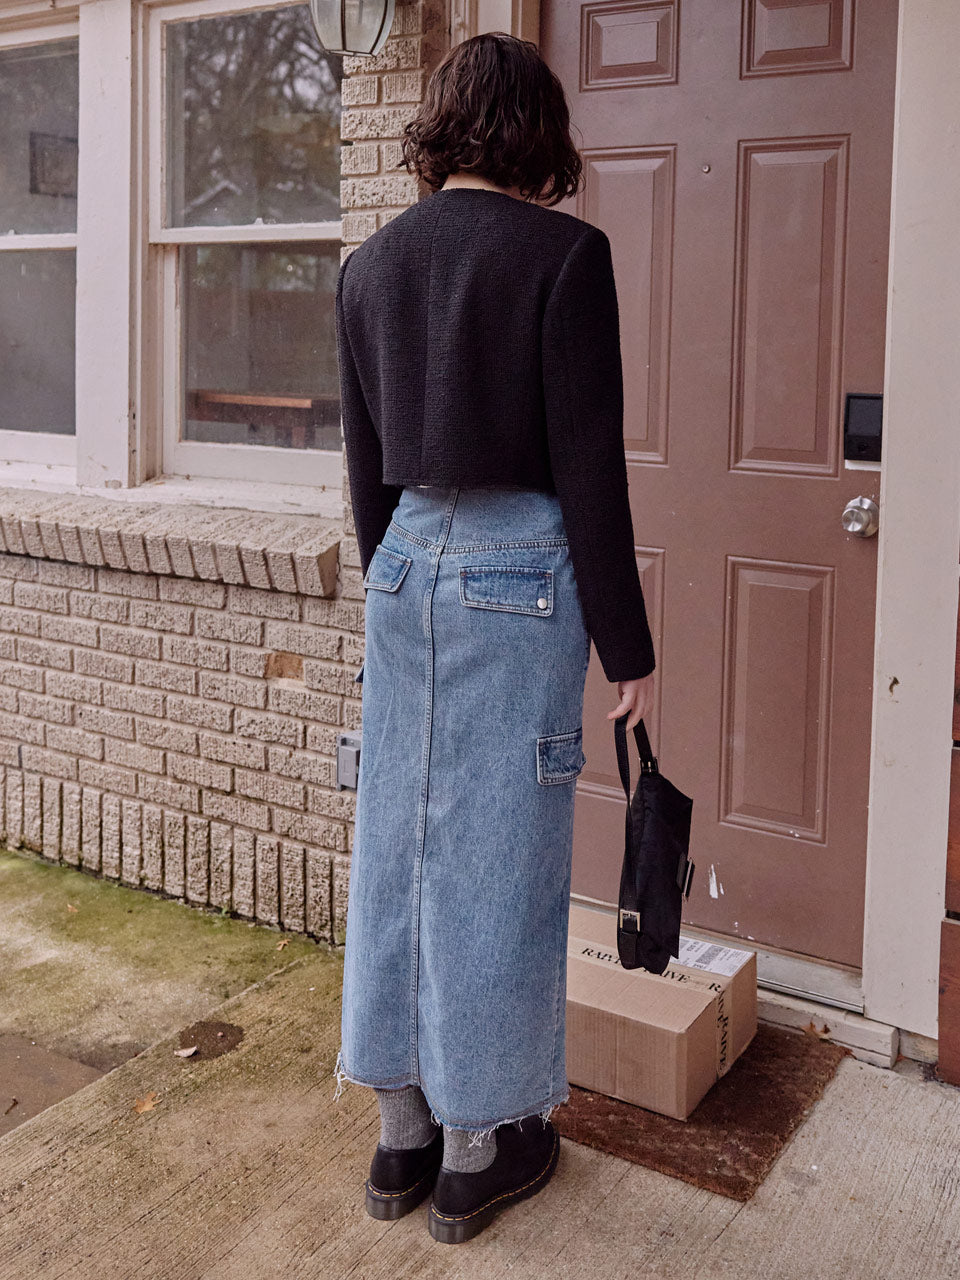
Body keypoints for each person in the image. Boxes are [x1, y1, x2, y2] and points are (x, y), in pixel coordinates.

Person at [331, 30, 656, 1244]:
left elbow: (367, 481)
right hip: (521, 572)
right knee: (498, 855)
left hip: (405, 566)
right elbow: (590, 473)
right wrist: (630, 651)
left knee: (398, 843)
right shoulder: (567, 258)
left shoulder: (370, 266)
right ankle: (478, 1150)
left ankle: (399, 1128)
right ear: (534, 135)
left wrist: (401, 587)